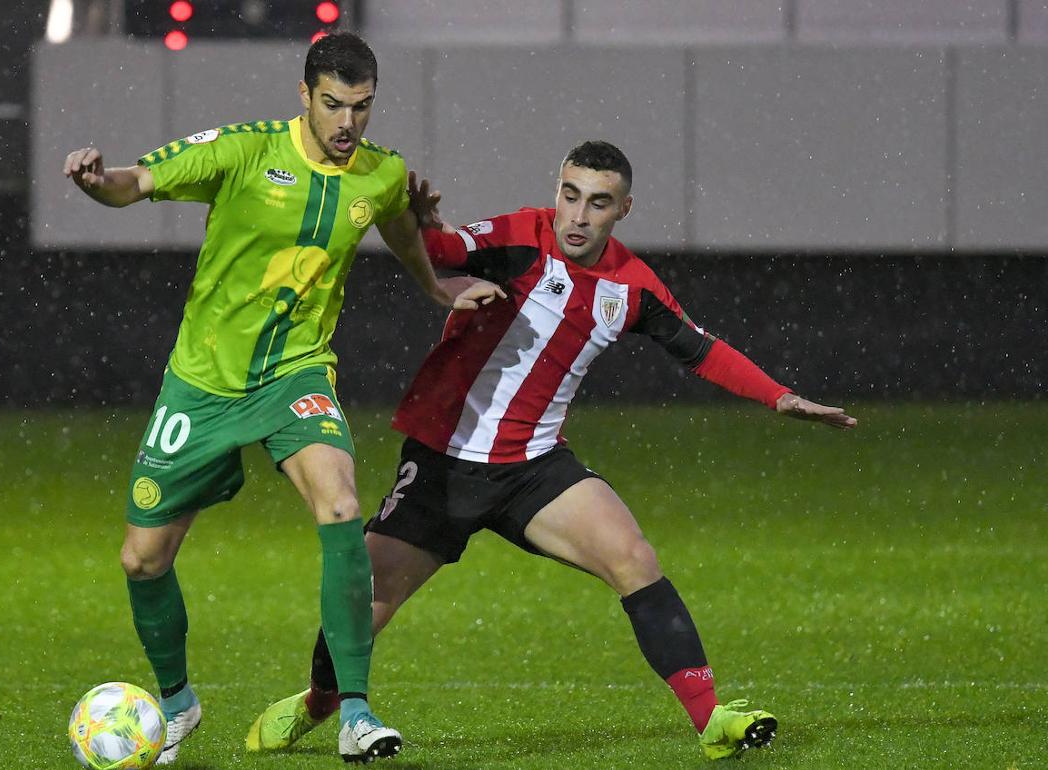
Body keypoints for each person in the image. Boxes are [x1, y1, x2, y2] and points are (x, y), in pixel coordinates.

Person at [244, 140, 857, 762]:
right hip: (442, 466)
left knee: (634, 558)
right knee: (362, 603)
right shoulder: (519, 238)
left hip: (534, 469)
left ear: (623, 209)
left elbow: (700, 349)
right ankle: (321, 702)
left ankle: (711, 720)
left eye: (598, 203)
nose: (578, 217)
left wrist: (778, 397)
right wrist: (421, 223)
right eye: (569, 196)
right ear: (556, 192)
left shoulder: (632, 286)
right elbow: (442, 252)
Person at [62, 32, 501, 765]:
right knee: (142, 560)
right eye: (333, 104)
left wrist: (435, 285)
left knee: (338, 504)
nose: (346, 123)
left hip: (296, 373)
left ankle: (356, 712)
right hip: (202, 384)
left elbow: (394, 216)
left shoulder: (380, 172)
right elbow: (133, 183)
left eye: (361, 108)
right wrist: (92, 179)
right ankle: (177, 705)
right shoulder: (242, 152)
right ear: (304, 95)